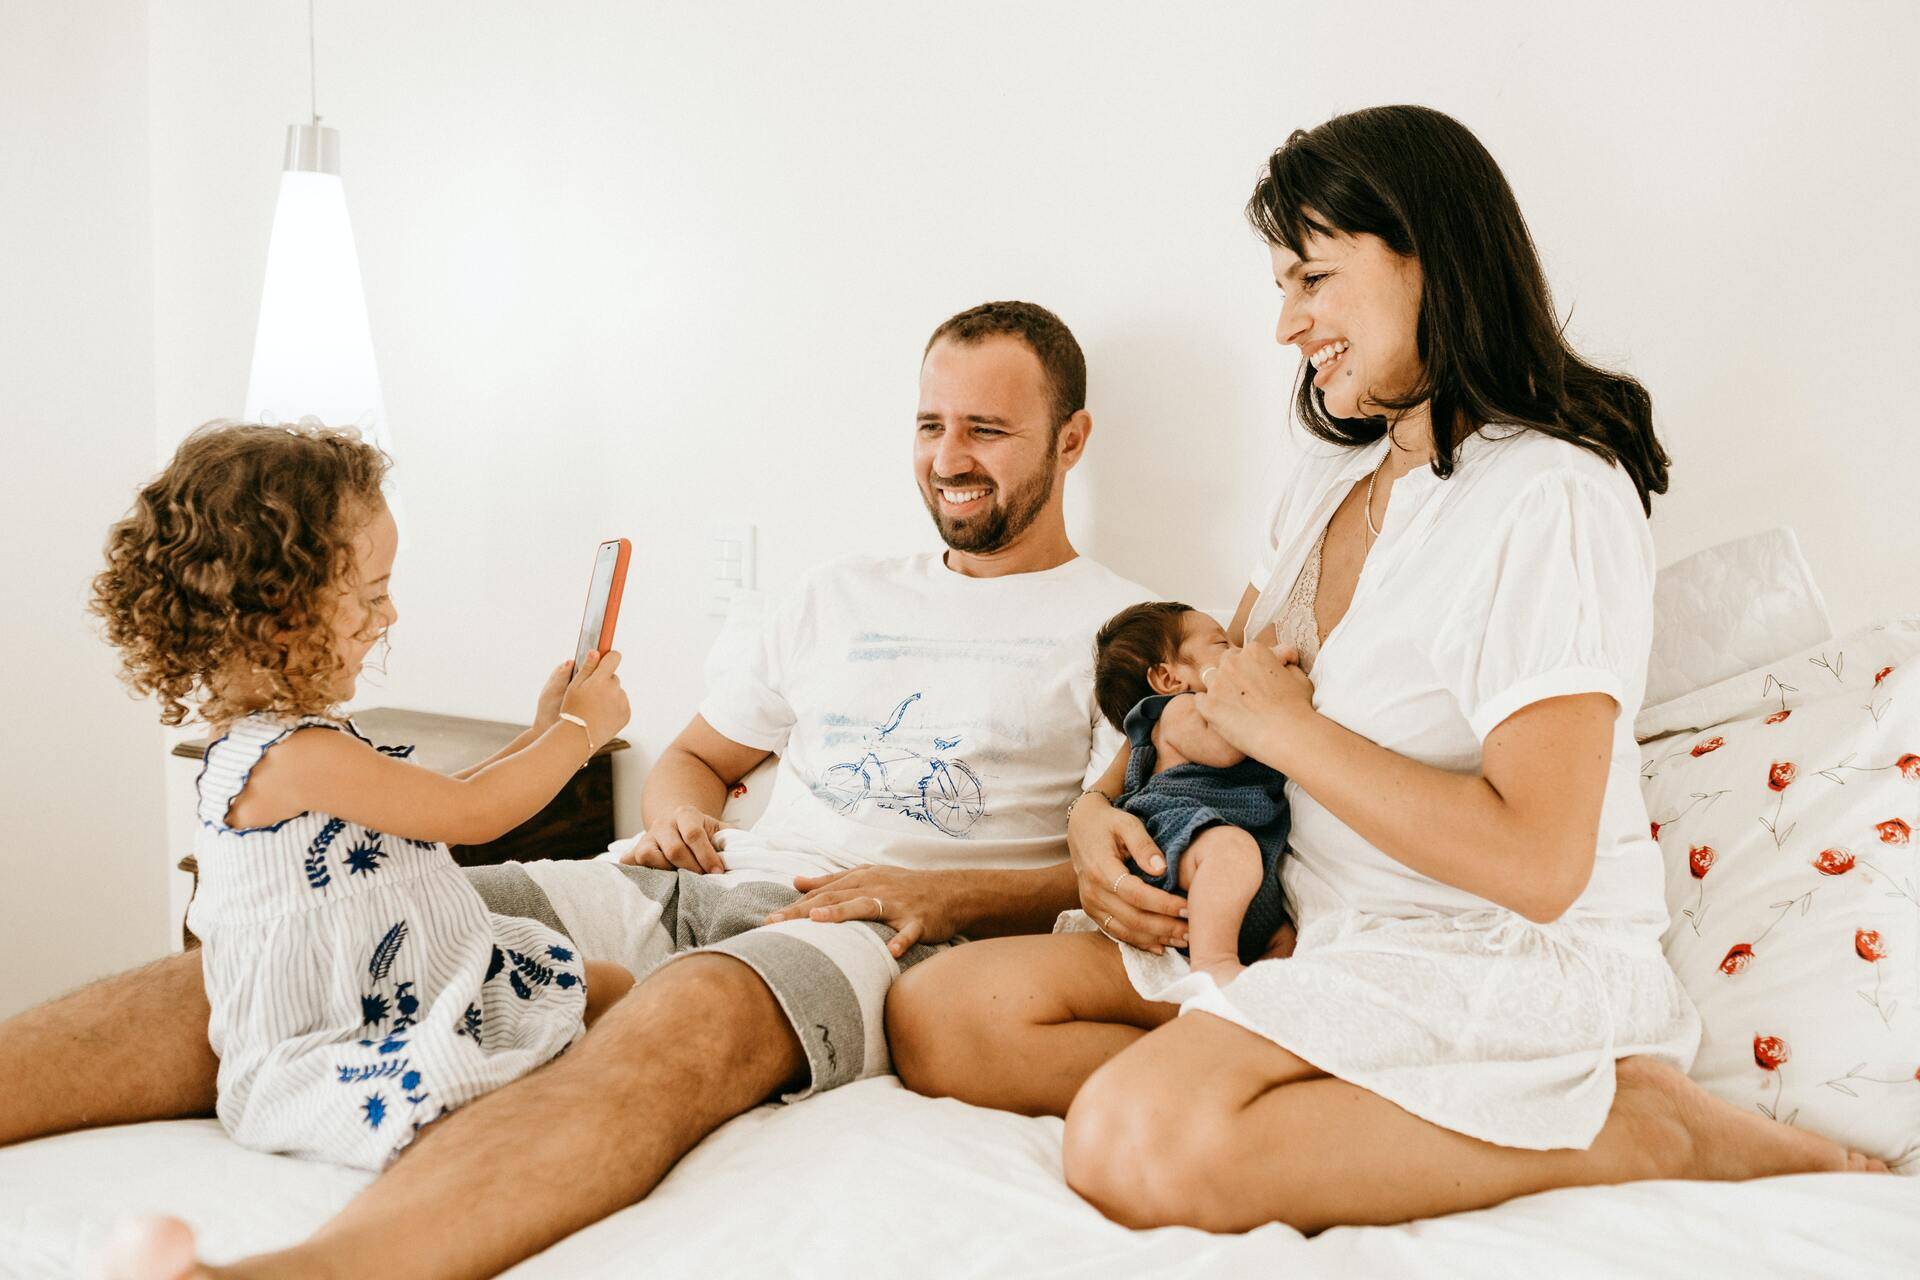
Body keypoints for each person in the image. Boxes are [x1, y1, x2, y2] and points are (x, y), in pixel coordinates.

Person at [887, 105, 1886, 1236]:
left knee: (1133, 1139)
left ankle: (1643, 1125)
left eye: (1312, 278)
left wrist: (1297, 734)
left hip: (1489, 952)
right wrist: (1094, 808)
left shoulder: (1548, 495)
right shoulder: (1332, 475)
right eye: (1281, 284)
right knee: (940, 1013)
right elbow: (1216, 692)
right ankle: (1309, 1073)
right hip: (1310, 923)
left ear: (1430, 257)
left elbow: (1541, 858)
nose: (1286, 324)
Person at [9, 301, 1158, 1280]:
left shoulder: (1126, 630)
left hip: (866, 928)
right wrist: (677, 814)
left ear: (1072, 440)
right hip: (681, 879)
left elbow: (1124, 870)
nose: (950, 455)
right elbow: (698, 759)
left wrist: (948, 901)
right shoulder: (837, 594)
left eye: (989, 429)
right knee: (340, 926)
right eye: (930, 423)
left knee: (679, 1021)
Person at [91, 422, 635, 1184]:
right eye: (372, 597)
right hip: (345, 1025)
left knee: (605, 985)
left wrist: (544, 732)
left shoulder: (296, 740)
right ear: (279, 612)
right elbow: (474, 815)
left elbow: (444, 798)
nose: (391, 618)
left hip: (411, 981)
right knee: (475, 1093)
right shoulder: (292, 756)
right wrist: (580, 733)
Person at [1088, 601, 1288, 984]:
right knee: (1231, 850)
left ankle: (1260, 979)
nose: (1238, 653)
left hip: (1234, 866)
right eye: (1221, 645)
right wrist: (1268, 671)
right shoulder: (1179, 711)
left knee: (1285, 934)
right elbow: (1227, 746)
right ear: (1168, 679)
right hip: (1175, 834)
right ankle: (1213, 964)